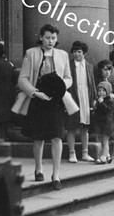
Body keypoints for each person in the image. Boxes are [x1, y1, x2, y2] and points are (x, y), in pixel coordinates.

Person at [16, 24, 72, 190]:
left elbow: (69, 77)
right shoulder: (31, 53)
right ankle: (39, 168)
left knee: (56, 136)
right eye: (47, 37)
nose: (51, 41)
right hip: (38, 99)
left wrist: (62, 86)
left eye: (54, 38)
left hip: (56, 100)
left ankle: (56, 174)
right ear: (41, 37)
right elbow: (22, 79)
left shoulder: (62, 55)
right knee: (38, 137)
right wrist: (34, 92)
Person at [65, 41, 96, 163]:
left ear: (84, 53)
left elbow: (92, 84)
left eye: (79, 52)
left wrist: (93, 100)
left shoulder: (89, 66)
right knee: (71, 127)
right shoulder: (69, 65)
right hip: (73, 98)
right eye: (74, 52)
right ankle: (72, 153)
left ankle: (85, 153)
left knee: (85, 127)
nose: (77, 54)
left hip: (85, 98)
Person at [90, 81, 114, 164]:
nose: (101, 93)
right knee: (102, 140)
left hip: (107, 124)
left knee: (105, 141)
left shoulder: (110, 101)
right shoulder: (99, 100)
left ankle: (103, 157)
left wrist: (101, 103)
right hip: (101, 124)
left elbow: (107, 109)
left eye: (103, 91)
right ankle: (107, 156)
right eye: (99, 90)